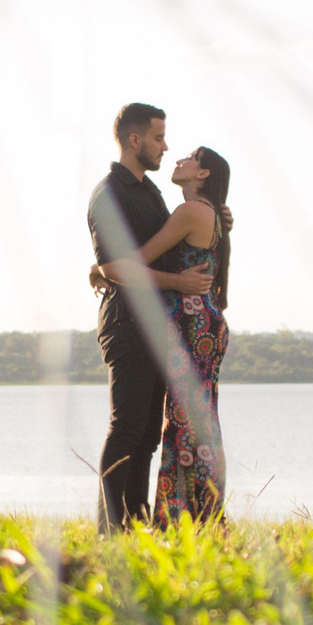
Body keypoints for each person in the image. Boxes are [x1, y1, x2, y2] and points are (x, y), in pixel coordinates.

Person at [86, 103, 211, 531]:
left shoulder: (151, 192)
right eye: (158, 138)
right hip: (126, 323)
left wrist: (219, 215)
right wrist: (176, 283)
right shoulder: (109, 194)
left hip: (158, 325)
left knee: (145, 438)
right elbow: (118, 267)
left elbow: (169, 242)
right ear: (135, 140)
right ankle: (108, 528)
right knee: (126, 428)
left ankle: (134, 524)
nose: (165, 146)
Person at [142, 147, 230, 524]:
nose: (179, 160)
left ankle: (177, 517)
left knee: (182, 421)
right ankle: (203, 513)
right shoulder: (211, 213)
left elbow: (140, 258)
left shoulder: (191, 211)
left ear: (203, 173)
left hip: (193, 326)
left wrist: (102, 267)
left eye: (190, 158)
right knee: (198, 420)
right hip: (203, 323)